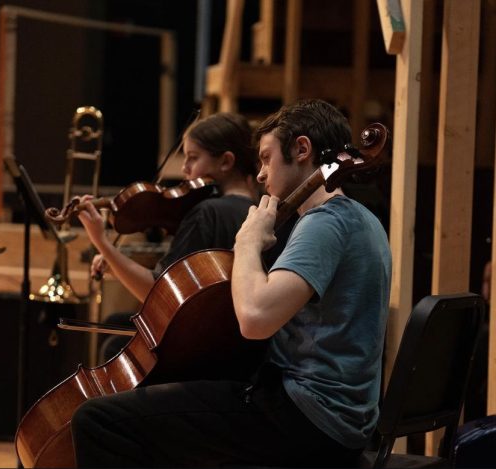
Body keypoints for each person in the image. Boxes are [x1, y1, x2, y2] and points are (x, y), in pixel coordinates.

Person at [71, 99, 391, 468]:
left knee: (97, 421)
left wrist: (247, 243)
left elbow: (254, 319)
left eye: (268, 158)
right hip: (343, 419)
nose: (259, 174)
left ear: (302, 149)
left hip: (308, 417)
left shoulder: (324, 224)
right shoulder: (361, 218)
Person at [76, 112, 259, 305]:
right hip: (230, 331)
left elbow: (160, 297)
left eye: (193, 158)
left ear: (226, 161)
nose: (184, 168)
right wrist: (115, 264)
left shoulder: (206, 213)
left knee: (115, 328)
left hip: (197, 332)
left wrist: (101, 242)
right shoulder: (260, 212)